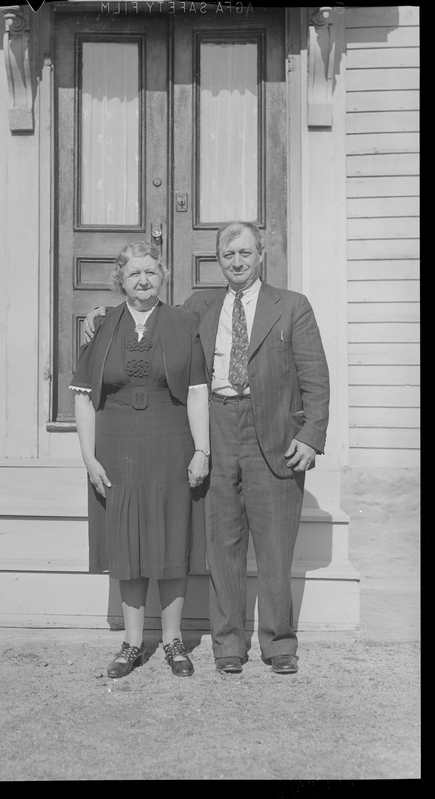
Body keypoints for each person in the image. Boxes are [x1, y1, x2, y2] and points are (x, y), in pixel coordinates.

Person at [84, 222, 330, 675]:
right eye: (228, 256)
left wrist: (311, 434)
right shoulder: (199, 306)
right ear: (219, 261)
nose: (236, 262)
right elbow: (149, 311)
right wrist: (105, 312)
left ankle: (279, 645)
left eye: (244, 253)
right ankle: (228, 646)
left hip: (273, 431)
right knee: (222, 542)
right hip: (216, 426)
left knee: (275, 542)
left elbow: (315, 375)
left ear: (260, 254)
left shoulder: (292, 306)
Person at [71, 241, 210, 679]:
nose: (143, 280)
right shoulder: (102, 325)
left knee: (171, 539)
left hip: (172, 444)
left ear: (162, 275)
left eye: (151, 271)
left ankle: (173, 642)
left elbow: (197, 392)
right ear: (120, 279)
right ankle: (132, 644)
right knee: (128, 545)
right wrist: (89, 457)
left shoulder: (184, 322)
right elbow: (82, 397)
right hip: (118, 448)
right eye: (134, 274)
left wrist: (202, 450)